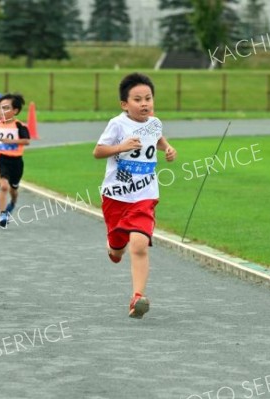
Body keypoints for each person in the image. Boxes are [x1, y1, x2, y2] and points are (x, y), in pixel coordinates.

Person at [93, 73, 177, 319]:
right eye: (138, 99)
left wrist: (168, 148)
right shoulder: (117, 124)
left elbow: (157, 138)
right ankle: (114, 246)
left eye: (148, 98)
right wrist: (121, 147)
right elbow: (98, 151)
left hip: (145, 195)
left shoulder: (155, 122)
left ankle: (138, 297)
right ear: (124, 104)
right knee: (118, 250)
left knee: (139, 243)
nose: (144, 104)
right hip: (116, 196)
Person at [0, 93, 31, 228]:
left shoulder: (19, 125)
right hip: (2, 160)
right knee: (4, 186)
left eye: (6, 108)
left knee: (13, 189)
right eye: (1, 108)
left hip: (16, 162)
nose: (2, 111)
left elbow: (27, 141)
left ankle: (13, 202)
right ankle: (2, 214)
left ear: (15, 110)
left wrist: (11, 141)